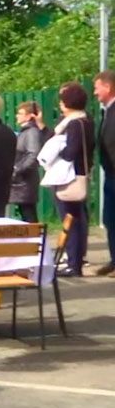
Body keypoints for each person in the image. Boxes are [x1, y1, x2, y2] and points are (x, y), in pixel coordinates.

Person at [51, 82, 95, 277]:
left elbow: (71, 151)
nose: (60, 104)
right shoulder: (85, 120)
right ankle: (74, 260)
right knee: (76, 218)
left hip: (70, 176)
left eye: (63, 100)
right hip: (79, 173)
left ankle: (73, 263)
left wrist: (56, 151)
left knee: (70, 219)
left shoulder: (74, 124)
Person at [93, 70, 115, 277]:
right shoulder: (106, 111)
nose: (95, 92)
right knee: (110, 219)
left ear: (107, 87)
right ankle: (113, 259)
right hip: (110, 174)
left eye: (97, 87)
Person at [10, 101, 46, 223]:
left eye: (20, 113)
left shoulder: (31, 132)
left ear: (30, 116)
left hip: (25, 180)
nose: (17, 116)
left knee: (28, 213)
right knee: (25, 212)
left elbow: (33, 154)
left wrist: (17, 169)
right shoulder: (25, 131)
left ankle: (36, 239)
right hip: (22, 180)